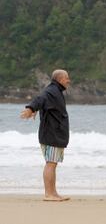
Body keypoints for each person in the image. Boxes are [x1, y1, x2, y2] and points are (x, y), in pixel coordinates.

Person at [20, 69, 71, 201]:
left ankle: (53, 193)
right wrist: (30, 108)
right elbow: (40, 99)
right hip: (51, 135)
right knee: (50, 163)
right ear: (60, 79)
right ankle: (49, 194)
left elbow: (44, 104)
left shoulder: (56, 91)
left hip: (55, 134)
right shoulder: (51, 91)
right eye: (67, 78)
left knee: (52, 163)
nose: (68, 80)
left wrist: (36, 109)